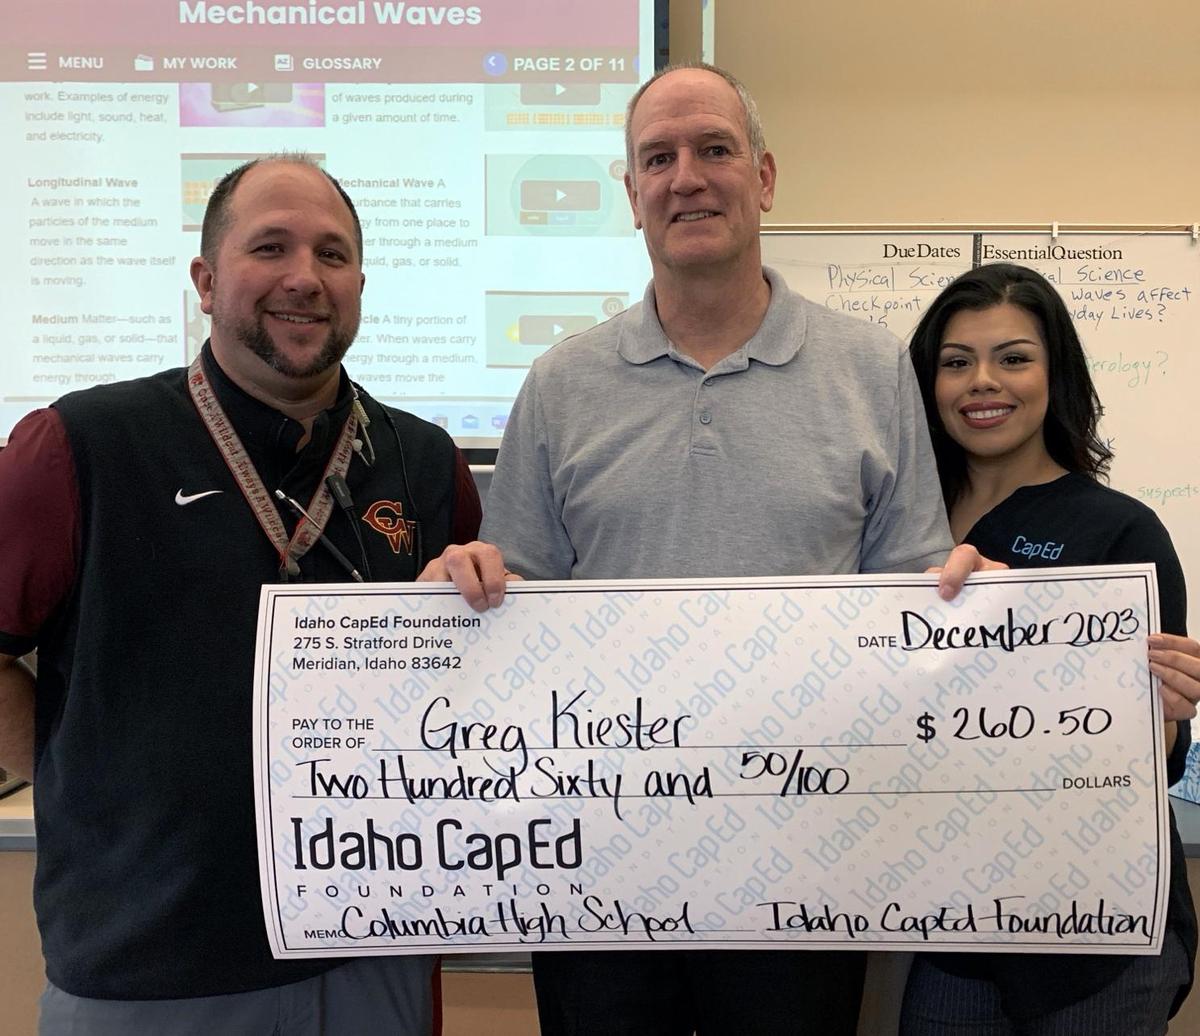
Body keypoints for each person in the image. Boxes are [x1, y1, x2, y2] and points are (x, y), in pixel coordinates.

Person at [479, 61, 997, 1036]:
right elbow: (516, 622)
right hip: (600, 875)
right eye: (658, 158)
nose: (687, 177)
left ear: (763, 178)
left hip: (803, 869)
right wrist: (458, 591)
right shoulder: (558, 384)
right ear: (628, 194)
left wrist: (1000, 622)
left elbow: (908, 616)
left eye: (715, 149)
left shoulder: (872, 367)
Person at [0, 154, 505, 1034]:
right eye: (269, 247)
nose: (304, 279)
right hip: (145, 964)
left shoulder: (425, 463)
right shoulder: (79, 444)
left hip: (371, 947)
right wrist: (81, 770)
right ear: (205, 279)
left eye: (332, 254)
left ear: (359, 283)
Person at [902, 262, 1199, 1035]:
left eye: (1014, 357)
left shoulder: (1122, 532)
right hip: (947, 922)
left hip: (1097, 931)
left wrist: (1162, 711)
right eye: (956, 362)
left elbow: (1157, 752)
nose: (982, 382)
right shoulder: (898, 532)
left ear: (1054, 372)